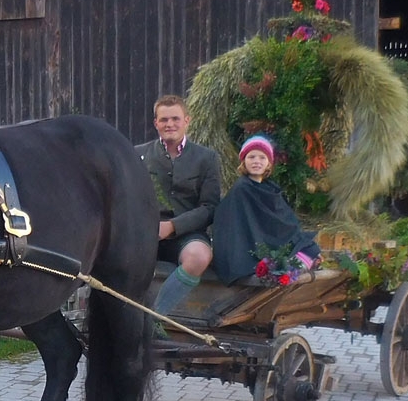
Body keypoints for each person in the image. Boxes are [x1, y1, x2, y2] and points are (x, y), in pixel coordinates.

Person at [136, 95, 222, 330]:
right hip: (146, 233)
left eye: (175, 118)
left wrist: (172, 227)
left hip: (187, 234)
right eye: (164, 119)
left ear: (187, 121)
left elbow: (210, 207)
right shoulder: (138, 156)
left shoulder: (206, 158)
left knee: (199, 256)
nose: (169, 124)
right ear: (156, 123)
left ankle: (154, 320)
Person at [212, 135, 321, 285]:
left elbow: (280, 221)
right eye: (251, 157)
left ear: (269, 164)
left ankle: (288, 269)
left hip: (269, 239)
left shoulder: (270, 188)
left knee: (310, 247)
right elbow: (239, 222)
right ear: (244, 161)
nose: (257, 161)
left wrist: (293, 238)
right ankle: (282, 270)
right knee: (295, 256)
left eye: (262, 157)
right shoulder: (242, 189)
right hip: (250, 245)